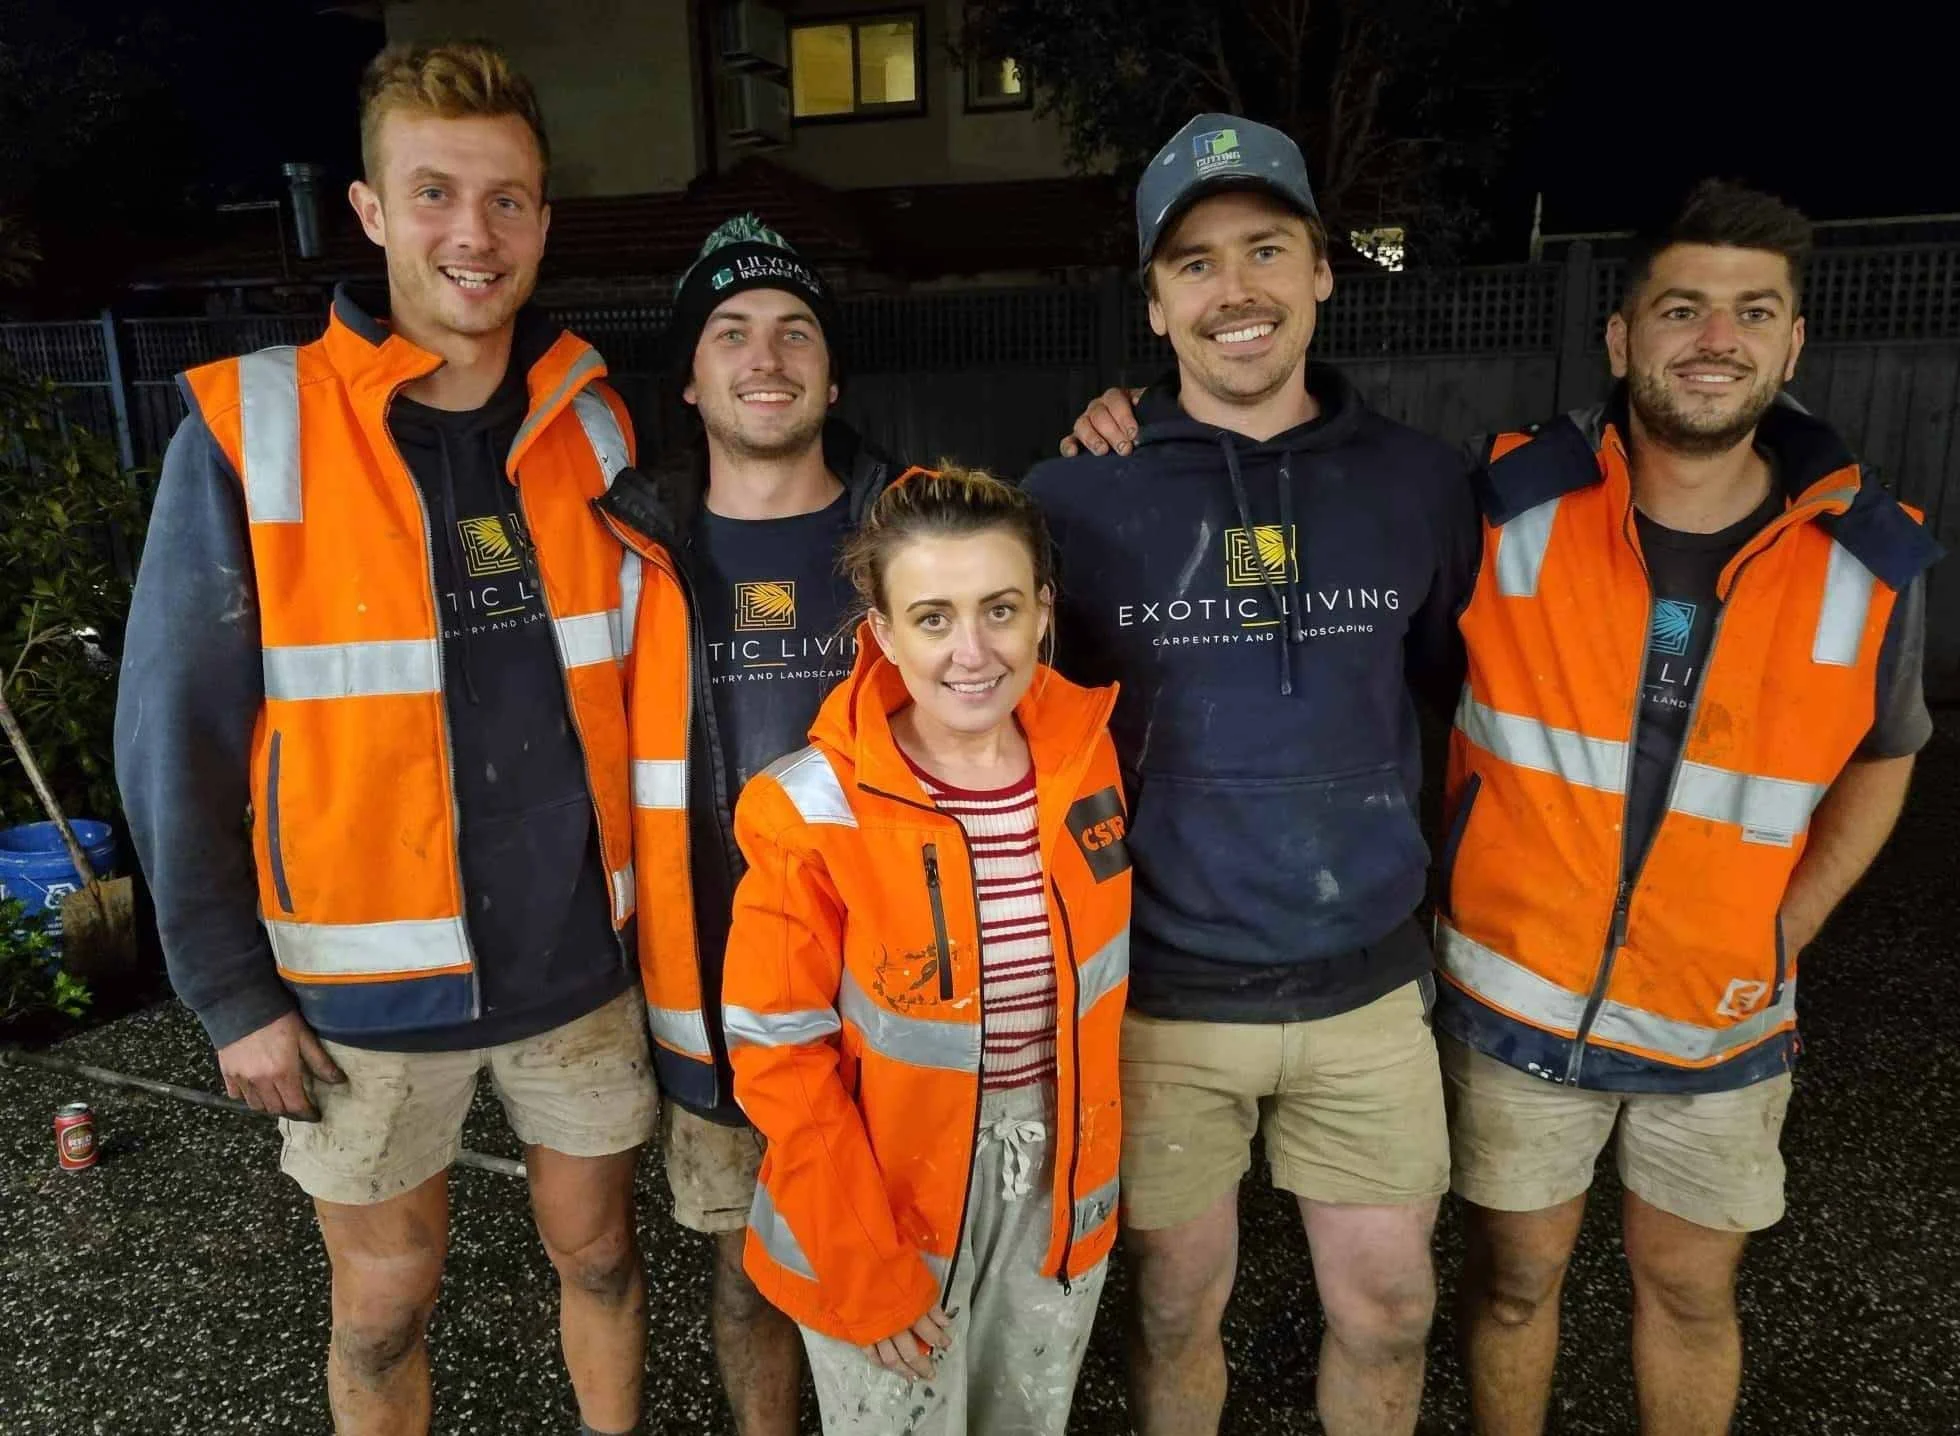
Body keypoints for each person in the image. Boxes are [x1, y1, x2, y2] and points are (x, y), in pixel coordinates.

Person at [114, 43, 656, 1436]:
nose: (472, 234)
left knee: (599, 1255)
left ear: (544, 217)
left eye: (508, 200)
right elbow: (173, 733)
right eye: (434, 193)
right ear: (368, 209)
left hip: (578, 967)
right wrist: (229, 992)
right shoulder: (252, 425)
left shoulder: (593, 421)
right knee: (384, 1304)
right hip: (361, 994)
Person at [1434, 181, 1941, 1436]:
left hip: (1717, 1026)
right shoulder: (1503, 504)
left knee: (1690, 1292)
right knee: (1510, 1285)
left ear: (1791, 342)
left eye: (1750, 311)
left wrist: (1793, 920)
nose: (1714, 338)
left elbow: (1889, 748)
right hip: (1512, 1002)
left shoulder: (1867, 558)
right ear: (1620, 338)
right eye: (1680, 307)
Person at [1026, 114, 1478, 1436]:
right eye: (1197, 264)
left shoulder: (1419, 485)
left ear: (1324, 270)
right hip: (1165, 999)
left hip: (1365, 985)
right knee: (1172, 1310)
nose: (1237, 290)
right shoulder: (1077, 496)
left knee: (1391, 1310)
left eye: (1266, 249)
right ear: (1156, 303)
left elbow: (1454, 692)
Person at [718, 467, 1131, 1435]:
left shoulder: (1085, 756)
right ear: (885, 632)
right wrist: (868, 1268)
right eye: (934, 617)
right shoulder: (809, 804)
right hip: (878, 1206)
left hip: (1054, 1187)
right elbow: (779, 1055)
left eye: (999, 608)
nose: (972, 650)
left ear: (1042, 614)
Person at [593, 215, 900, 1434]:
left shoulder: (914, 526)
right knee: (751, 1269)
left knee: (912, 1250)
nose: (764, 356)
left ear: (831, 372)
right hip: (714, 998)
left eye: (794, 331)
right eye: (730, 332)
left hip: (896, 988)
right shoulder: (620, 549)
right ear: (689, 375)